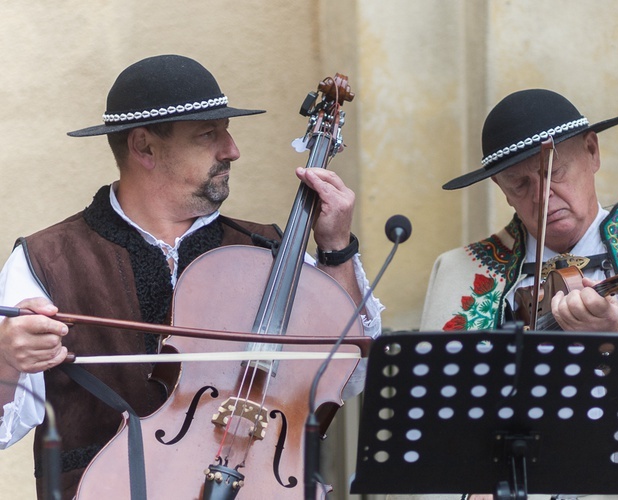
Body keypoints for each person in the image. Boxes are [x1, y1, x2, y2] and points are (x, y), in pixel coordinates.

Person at [0, 54, 383, 498]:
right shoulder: (48, 259)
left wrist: (336, 249)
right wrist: (6, 360)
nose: (232, 149)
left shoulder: (267, 250)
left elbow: (345, 379)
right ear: (143, 147)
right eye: (208, 135)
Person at [418, 89, 618, 499]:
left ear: (592, 151)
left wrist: (617, 343)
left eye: (554, 172)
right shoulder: (461, 272)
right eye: (520, 184)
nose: (541, 197)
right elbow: (439, 420)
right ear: (501, 190)